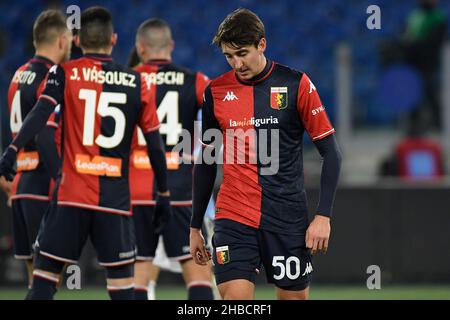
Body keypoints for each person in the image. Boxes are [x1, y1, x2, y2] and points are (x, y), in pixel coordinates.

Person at [0, 6, 171, 300]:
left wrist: (12, 149)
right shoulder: (137, 82)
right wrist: (165, 194)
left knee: (43, 281)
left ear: (77, 41)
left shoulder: (63, 72)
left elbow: (41, 114)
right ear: (114, 40)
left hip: (71, 197)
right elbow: (155, 143)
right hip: (114, 202)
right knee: (122, 290)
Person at [190, 8, 342, 300]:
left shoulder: (297, 84)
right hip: (233, 216)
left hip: (286, 217)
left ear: (262, 44)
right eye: (228, 57)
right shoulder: (216, 92)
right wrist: (195, 226)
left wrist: (323, 215)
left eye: (242, 53)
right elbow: (206, 161)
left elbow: (331, 153)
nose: (237, 63)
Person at [130, 18, 214, 300]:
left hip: (137, 191)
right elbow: (224, 111)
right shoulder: (195, 80)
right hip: (180, 190)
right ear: (171, 46)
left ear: (141, 48)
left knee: (139, 272)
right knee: (198, 271)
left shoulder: (125, 79)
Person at [3, 9, 71, 290]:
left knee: (37, 280)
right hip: (42, 183)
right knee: (50, 276)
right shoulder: (51, 76)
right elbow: (44, 133)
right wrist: (59, 177)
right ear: (60, 41)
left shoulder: (18, 75)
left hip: (20, 184)